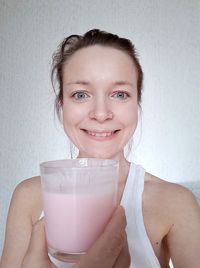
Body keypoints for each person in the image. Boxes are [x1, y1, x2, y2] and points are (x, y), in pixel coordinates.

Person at [1, 29, 200, 268]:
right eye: (81, 94)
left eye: (119, 94)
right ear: (62, 104)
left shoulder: (176, 202)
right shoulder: (29, 196)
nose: (101, 113)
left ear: (137, 104)